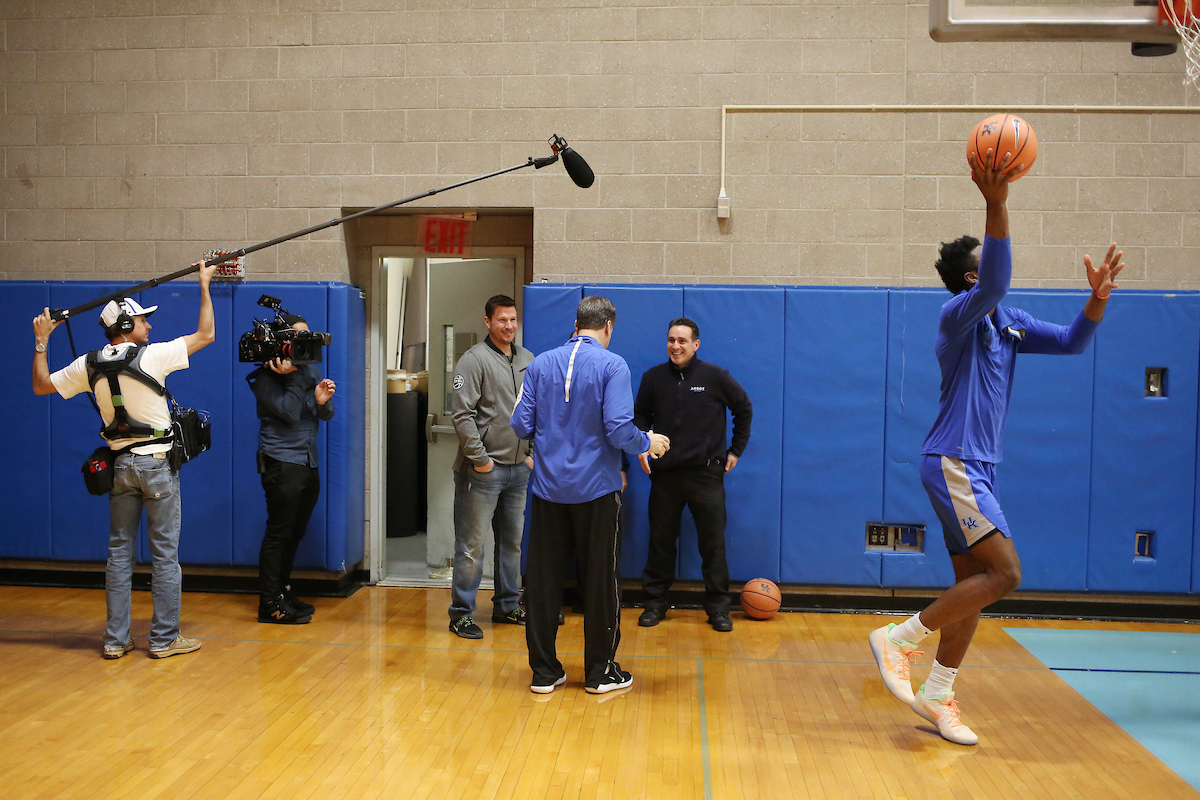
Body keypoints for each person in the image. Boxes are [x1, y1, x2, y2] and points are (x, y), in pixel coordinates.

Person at [868, 148, 1125, 745]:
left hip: (979, 466)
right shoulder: (958, 315)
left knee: (975, 586)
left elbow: (1070, 343)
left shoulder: (1008, 323)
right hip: (953, 460)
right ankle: (899, 638)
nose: (995, 275)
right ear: (969, 279)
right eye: (983, 269)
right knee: (1007, 572)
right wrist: (996, 202)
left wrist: (1099, 298)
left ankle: (938, 694)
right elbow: (998, 278)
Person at [31, 262, 218, 660]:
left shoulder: (88, 364)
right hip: (158, 466)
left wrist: (42, 341)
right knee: (165, 556)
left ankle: (116, 640)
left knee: (119, 555)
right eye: (144, 321)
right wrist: (204, 284)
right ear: (128, 325)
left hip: (120, 468)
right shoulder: (153, 357)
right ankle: (165, 639)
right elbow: (207, 334)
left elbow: (40, 385)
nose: (150, 327)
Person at [511, 296, 670, 694]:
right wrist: (646, 441)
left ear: (576, 322)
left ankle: (544, 672)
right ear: (609, 326)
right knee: (600, 581)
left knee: (543, 583)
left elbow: (518, 424)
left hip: (548, 491)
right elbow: (619, 428)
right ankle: (600, 672)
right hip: (596, 491)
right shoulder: (613, 365)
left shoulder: (540, 363)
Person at [634, 318, 752, 632]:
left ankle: (718, 609)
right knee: (660, 543)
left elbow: (743, 408)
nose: (676, 346)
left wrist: (735, 450)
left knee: (712, 545)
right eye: (671, 340)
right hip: (666, 476)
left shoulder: (715, 377)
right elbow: (640, 416)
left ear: (695, 345)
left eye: (682, 341)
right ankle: (655, 604)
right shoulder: (653, 378)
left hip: (706, 476)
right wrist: (643, 446)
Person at [447, 295, 534, 639]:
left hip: (519, 470)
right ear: (488, 322)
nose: (509, 326)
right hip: (482, 473)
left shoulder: (528, 359)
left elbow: (537, 410)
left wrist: (532, 454)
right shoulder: (473, 360)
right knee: (471, 547)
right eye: (502, 320)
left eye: (513, 320)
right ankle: (461, 614)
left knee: (511, 543)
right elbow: (462, 416)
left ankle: (508, 606)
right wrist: (481, 460)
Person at [246, 313, 336, 625]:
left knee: (295, 533)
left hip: (307, 462)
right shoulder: (265, 377)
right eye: (299, 337)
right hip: (282, 463)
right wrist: (297, 378)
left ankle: (283, 592)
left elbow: (324, 413)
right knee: (279, 533)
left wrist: (323, 401)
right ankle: (268, 604)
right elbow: (288, 412)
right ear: (282, 341)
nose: (305, 342)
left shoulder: (307, 369)